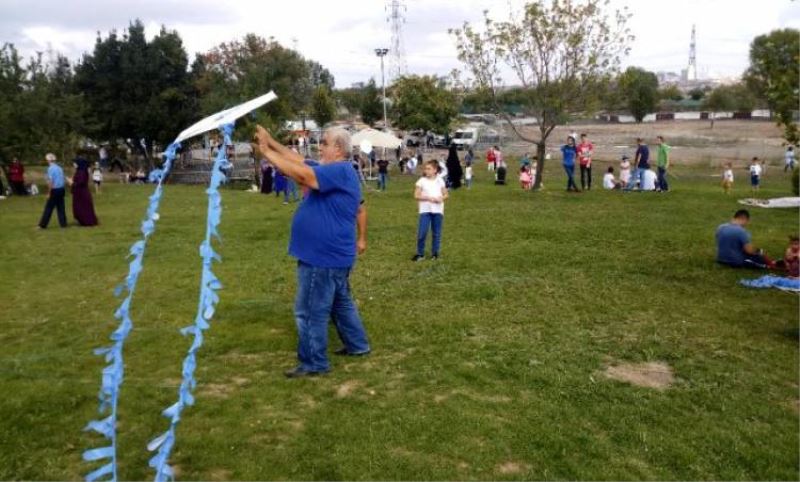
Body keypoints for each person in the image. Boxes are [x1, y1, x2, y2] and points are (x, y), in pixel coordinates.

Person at [253, 125, 371, 378]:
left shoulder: (339, 170)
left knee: (309, 310)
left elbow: (303, 176)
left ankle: (314, 362)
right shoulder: (332, 169)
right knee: (340, 304)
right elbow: (298, 161)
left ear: (338, 149)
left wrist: (265, 152)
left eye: (325, 142)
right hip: (333, 256)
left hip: (323, 257)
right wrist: (271, 142)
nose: (320, 146)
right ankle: (357, 345)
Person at [413, 160, 448, 261]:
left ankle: (435, 253)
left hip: (438, 210)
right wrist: (428, 198)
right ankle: (420, 254)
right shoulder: (421, 181)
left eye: (429, 169)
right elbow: (416, 195)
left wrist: (441, 198)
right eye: (425, 169)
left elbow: (446, 194)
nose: (426, 171)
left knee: (436, 233)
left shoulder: (440, 180)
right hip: (425, 210)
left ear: (435, 170)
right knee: (422, 233)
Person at [37, 153, 68, 229]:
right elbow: (63, 178)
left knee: (49, 208)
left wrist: (49, 192)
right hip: (61, 189)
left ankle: (42, 225)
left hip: (55, 190)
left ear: (48, 160)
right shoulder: (59, 168)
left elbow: (51, 182)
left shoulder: (50, 169)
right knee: (61, 207)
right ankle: (63, 224)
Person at [71, 158, 99, 226]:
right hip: (78, 192)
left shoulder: (82, 172)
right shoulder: (79, 171)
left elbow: (81, 182)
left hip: (82, 192)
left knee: (84, 207)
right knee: (79, 207)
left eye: (75, 163)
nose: (74, 164)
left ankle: (87, 221)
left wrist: (72, 183)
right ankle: (82, 220)